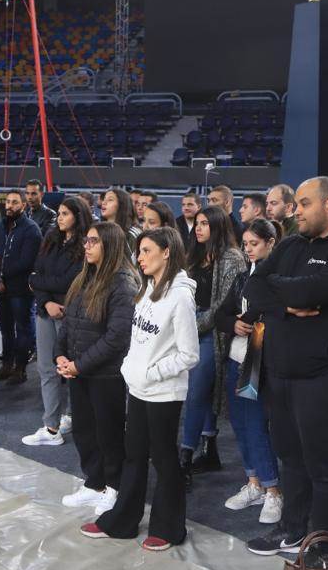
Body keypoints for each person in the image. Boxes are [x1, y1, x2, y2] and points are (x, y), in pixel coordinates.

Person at [243, 176, 328, 558]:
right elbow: (253, 288)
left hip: (324, 374)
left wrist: (282, 290)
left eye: (304, 203)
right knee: (290, 457)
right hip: (280, 371)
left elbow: (304, 291)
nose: (296, 211)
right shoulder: (291, 244)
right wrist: (287, 303)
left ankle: (323, 542)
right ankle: (292, 528)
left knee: (323, 464)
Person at [80, 227, 199, 551]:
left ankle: (169, 528)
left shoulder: (181, 297)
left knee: (163, 458)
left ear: (166, 252)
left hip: (164, 392)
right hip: (138, 388)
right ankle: (122, 521)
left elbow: (190, 354)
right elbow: (139, 338)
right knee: (133, 456)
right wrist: (131, 368)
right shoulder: (146, 288)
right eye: (139, 251)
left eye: (146, 251)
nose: (140, 258)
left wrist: (152, 373)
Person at [57, 222, 138, 515]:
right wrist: (60, 356)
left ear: (110, 245)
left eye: (94, 241)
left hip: (105, 374)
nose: (87, 246)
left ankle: (114, 487)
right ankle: (94, 483)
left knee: (109, 433)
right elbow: (68, 323)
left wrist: (78, 365)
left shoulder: (122, 283)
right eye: (86, 241)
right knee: (84, 431)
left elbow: (117, 337)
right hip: (79, 371)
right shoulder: (84, 278)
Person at [213, 218, 284, 524]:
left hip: (260, 359)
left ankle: (273, 490)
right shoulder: (244, 277)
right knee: (240, 425)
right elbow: (221, 315)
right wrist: (235, 323)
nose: (249, 249)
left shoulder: (279, 277)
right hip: (237, 357)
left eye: (254, 244)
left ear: (271, 243)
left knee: (255, 425)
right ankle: (254, 483)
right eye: (245, 244)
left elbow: (274, 315)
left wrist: (249, 321)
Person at [181, 205, 246, 488]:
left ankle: (184, 457)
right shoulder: (194, 255)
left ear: (218, 226)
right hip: (190, 324)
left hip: (213, 332)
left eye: (205, 223)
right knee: (201, 391)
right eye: (197, 223)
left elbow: (223, 305)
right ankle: (209, 450)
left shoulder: (232, 258)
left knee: (196, 392)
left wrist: (193, 325)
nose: (198, 228)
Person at [23, 196, 92, 445]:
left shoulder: (86, 244)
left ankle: (72, 416)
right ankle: (51, 427)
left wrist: (39, 284)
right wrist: (46, 302)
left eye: (65, 214)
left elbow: (69, 282)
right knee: (46, 368)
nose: (59, 218)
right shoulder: (51, 238)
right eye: (59, 213)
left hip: (71, 314)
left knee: (72, 368)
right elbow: (34, 275)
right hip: (46, 311)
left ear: (78, 216)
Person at [0, 189, 43, 384]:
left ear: (23, 205)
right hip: (0, 288)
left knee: (23, 329)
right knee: (5, 330)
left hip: (21, 289)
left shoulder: (31, 229)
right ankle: (6, 366)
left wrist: (1, 275)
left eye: (14, 202)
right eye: (8, 202)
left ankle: (20, 369)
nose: (9, 206)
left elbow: (26, 262)